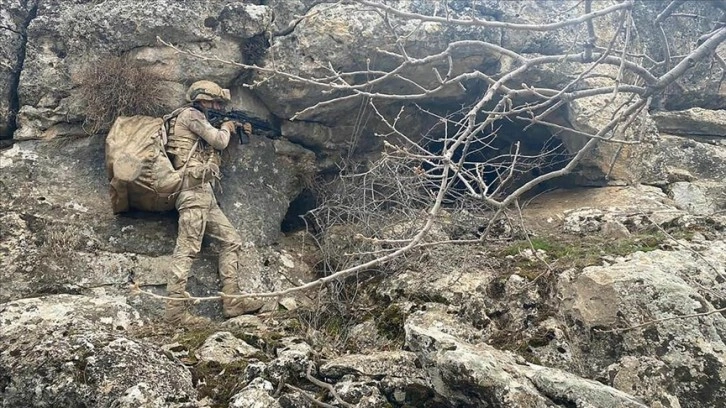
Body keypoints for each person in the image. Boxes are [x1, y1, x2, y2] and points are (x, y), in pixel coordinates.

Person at [164, 80, 263, 325]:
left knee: (231, 241)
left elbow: (215, 152)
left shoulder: (200, 120)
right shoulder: (190, 115)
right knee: (187, 249)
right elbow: (218, 140)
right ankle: (174, 313)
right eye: (215, 101)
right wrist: (228, 128)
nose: (217, 106)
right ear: (202, 99)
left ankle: (233, 302)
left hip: (204, 192)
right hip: (192, 191)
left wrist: (235, 132)